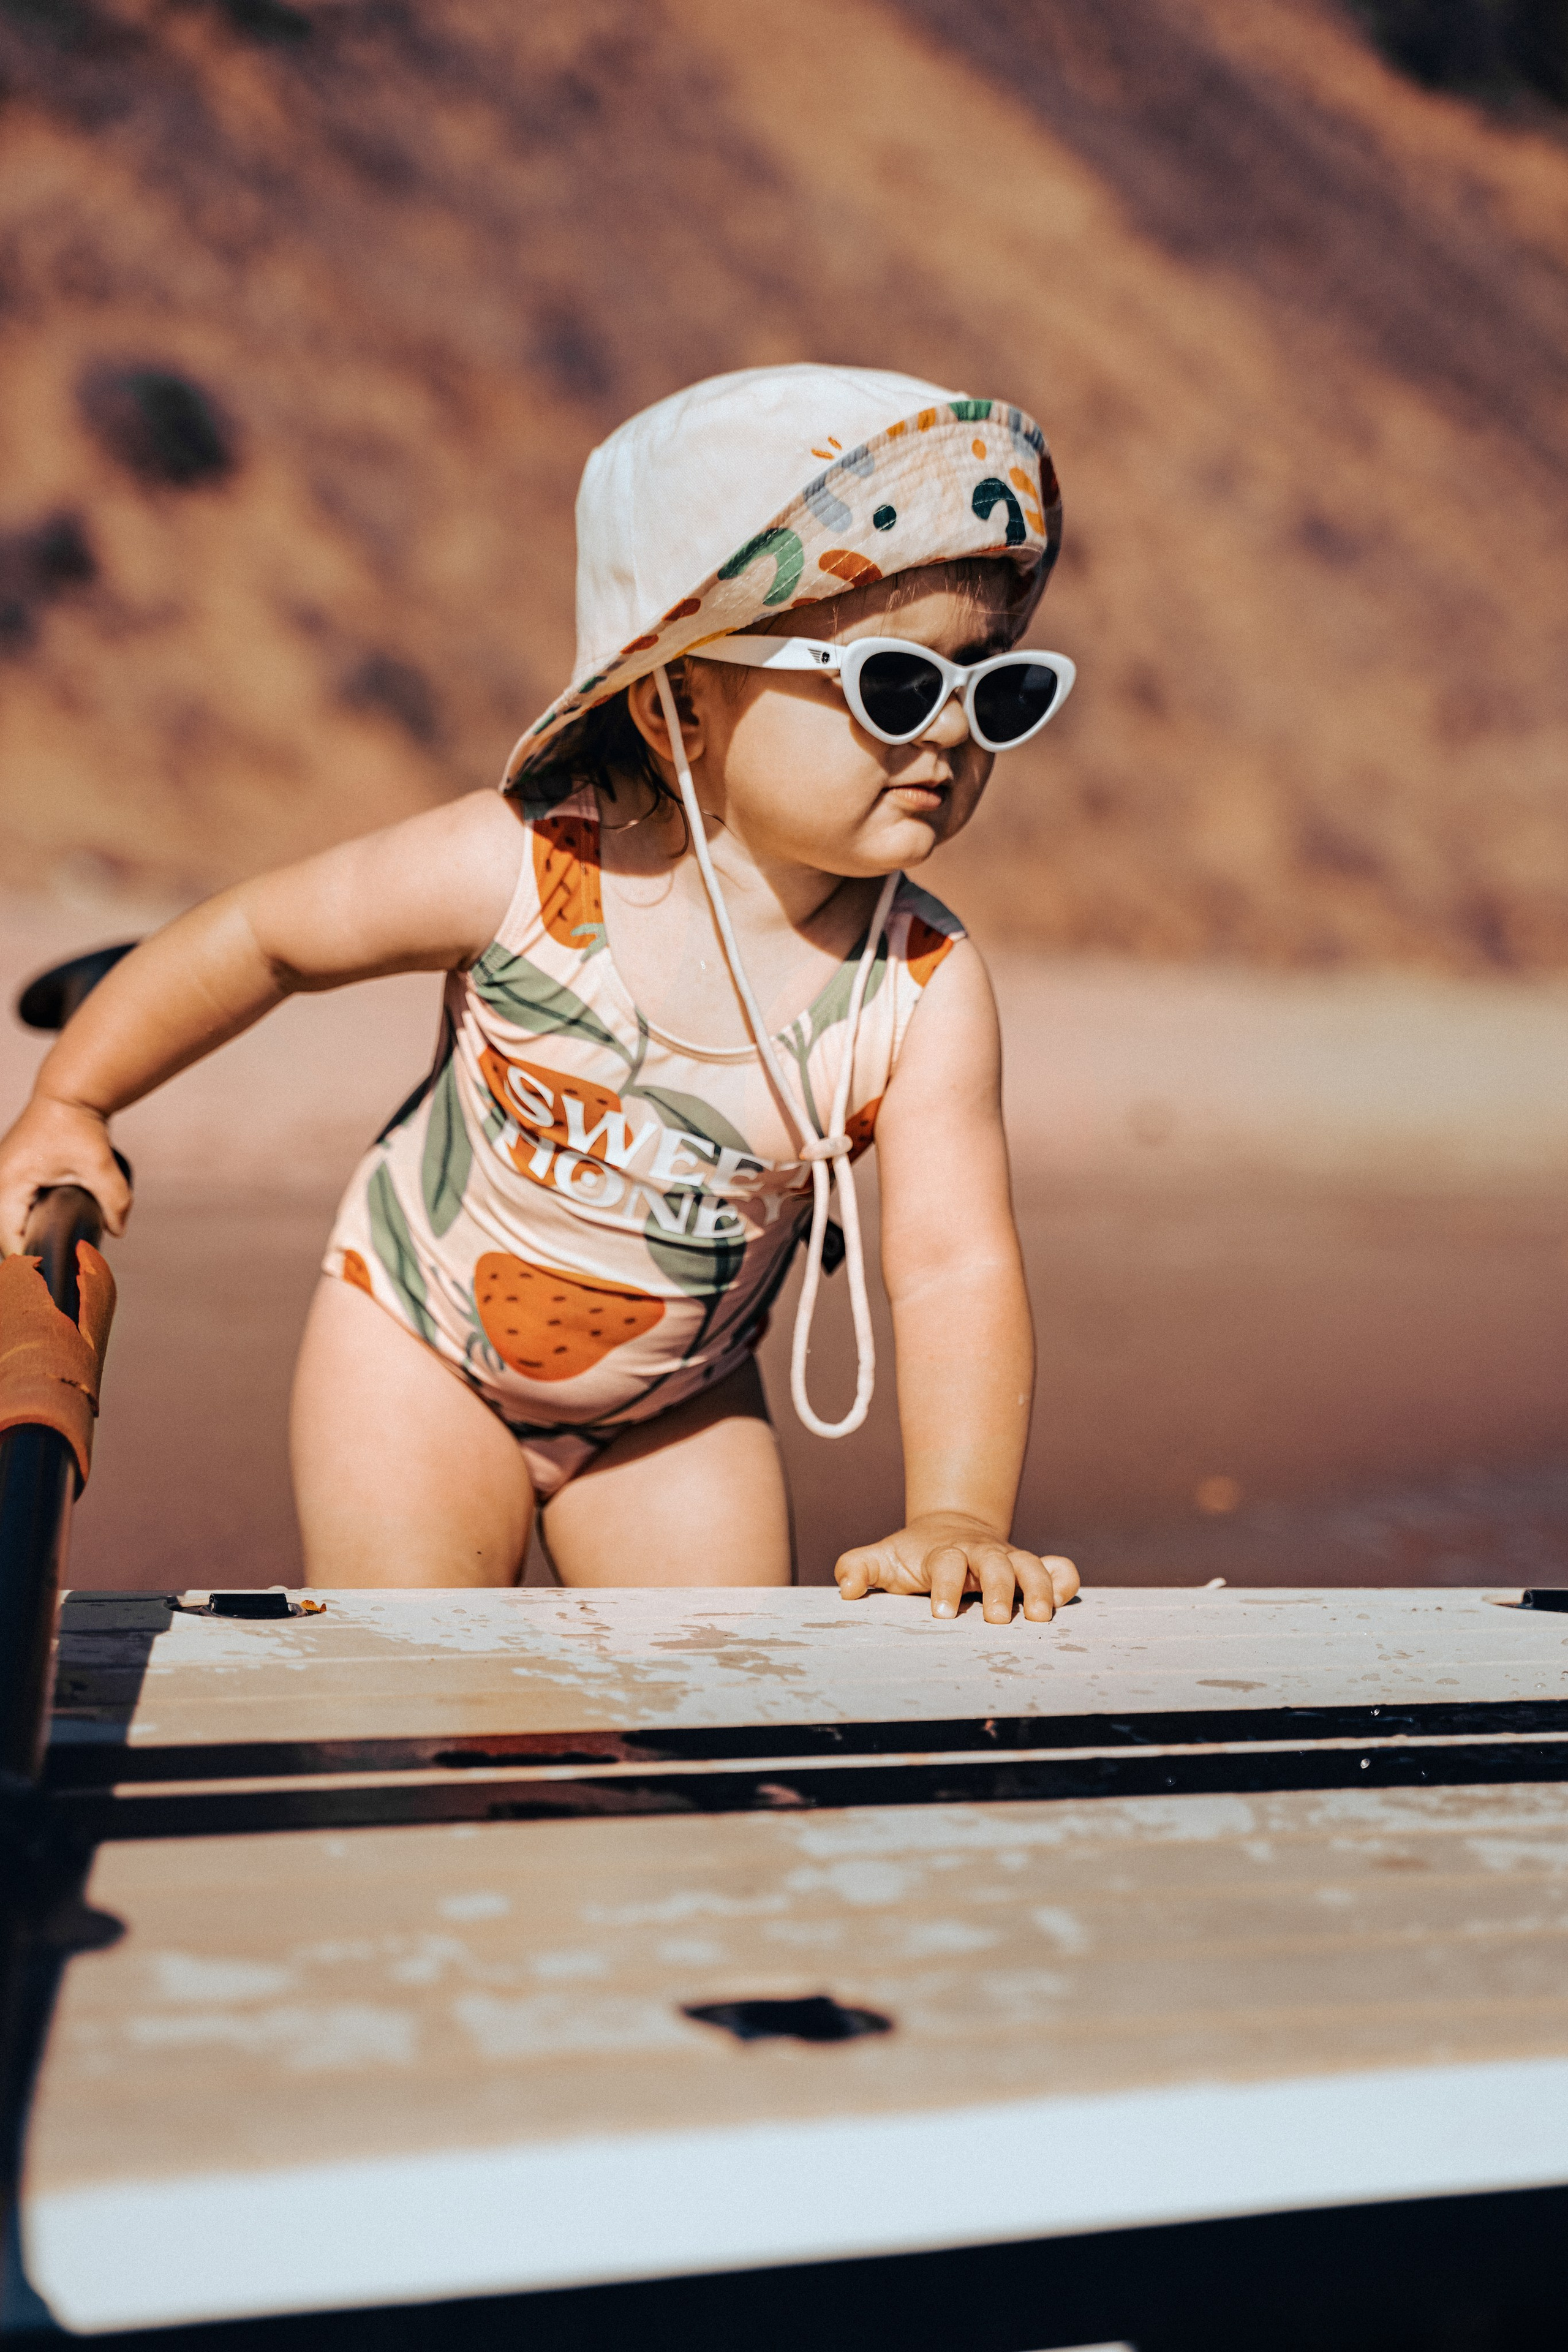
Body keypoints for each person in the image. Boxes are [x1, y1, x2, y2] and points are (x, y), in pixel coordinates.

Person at [0, 363, 1080, 1624]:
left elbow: (951, 1266)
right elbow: (264, 940)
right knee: (411, 1684)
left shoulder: (919, 988)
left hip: (671, 1412)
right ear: (681, 695)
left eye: (992, 686)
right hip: (421, 1350)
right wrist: (75, 1096)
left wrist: (955, 1517)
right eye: (895, 683)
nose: (948, 732)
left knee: (723, 1726)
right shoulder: (519, 863)